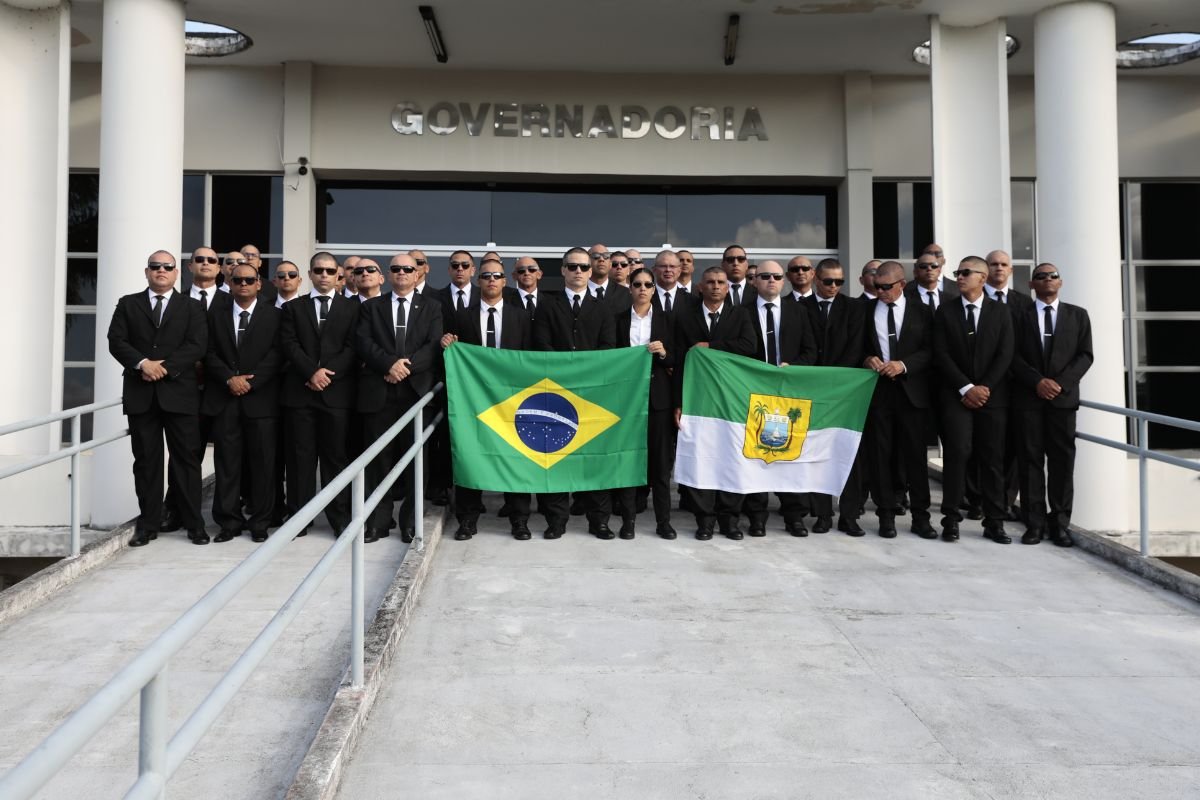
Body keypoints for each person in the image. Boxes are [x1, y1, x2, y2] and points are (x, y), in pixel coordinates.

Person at [107, 251, 208, 546]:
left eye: (167, 267)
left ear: (177, 273)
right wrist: (142, 364)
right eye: (155, 267)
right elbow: (116, 341)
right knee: (147, 462)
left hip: (180, 394)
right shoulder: (128, 304)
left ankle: (194, 524)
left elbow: (197, 345)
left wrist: (163, 367)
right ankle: (148, 524)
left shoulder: (191, 307)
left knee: (186, 462)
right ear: (147, 271)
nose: (161, 271)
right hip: (142, 395)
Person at [440, 264, 535, 540]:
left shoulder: (521, 317)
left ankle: (519, 520)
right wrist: (448, 342)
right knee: (471, 457)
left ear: (506, 281)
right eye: (486, 276)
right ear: (478, 281)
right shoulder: (462, 316)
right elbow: (454, 353)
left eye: (496, 276)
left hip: (512, 402)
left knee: (516, 460)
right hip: (475, 402)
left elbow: (529, 358)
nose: (491, 280)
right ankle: (467, 520)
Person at [355, 253, 443, 543]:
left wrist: (404, 368)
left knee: (416, 462)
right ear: (388, 275)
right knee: (377, 460)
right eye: (397, 269)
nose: (403, 272)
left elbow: (433, 346)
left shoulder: (432, 307)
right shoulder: (370, 307)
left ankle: (409, 521)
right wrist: (388, 364)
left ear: (418, 273)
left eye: (408, 268)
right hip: (379, 392)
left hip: (416, 395)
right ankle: (379, 521)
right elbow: (364, 343)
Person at [534, 247, 617, 540]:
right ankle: (556, 520)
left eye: (583, 267)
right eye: (572, 267)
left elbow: (608, 348)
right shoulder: (547, 305)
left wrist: (584, 372)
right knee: (556, 456)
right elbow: (541, 344)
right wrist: (565, 372)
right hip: (556, 395)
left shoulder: (603, 308)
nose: (578, 271)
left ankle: (599, 521)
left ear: (591, 271)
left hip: (593, 396)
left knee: (594, 458)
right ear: (564, 271)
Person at [933, 256, 1014, 544]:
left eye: (966, 272)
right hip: (957, 397)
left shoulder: (1000, 312)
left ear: (982, 277)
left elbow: (1005, 353)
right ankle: (951, 520)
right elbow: (941, 354)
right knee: (957, 456)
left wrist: (984, 388)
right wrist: (966, 387)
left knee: (992, 460)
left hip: (992, 399)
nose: (959, 277)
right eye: (957, 272)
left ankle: (994, 521)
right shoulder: (945, 311)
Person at [1010, 265, 1093, 546]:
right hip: (1029, 399)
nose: (1048, 279)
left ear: (1061, 282)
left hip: (1062, 401)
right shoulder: (1019, 316)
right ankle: (1034, 524)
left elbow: (1085, 355)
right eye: (1042, 276)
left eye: (1053, 275)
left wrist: (1060, 383)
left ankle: (1060, 523)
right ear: (1032, 284)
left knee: (1061, 463)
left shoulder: (1077, 315)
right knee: (1030, 461)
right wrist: (1037, 382)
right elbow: (1012, 356)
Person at [279, 252, 359, 537]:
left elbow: (352, 347)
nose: (324, 275)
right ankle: (299, 517)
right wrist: (311, 372)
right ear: (310, 274)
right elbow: (288, 344)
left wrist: (326, 374)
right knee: (300, 459)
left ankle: (338, 517)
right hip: (300, 395)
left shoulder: (352, 309)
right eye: (318, 271)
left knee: (335, 458)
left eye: (329, 271)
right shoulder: (293, 309)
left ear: (338, 274)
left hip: (336, 396)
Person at [674, 266, 757, 540]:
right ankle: (704, 520)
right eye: (710, 282)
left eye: (721, 282)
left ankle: (729, 520)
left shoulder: (740, 314)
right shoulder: (685, 317)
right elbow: (678, 362)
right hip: (698, 400)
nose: (716, 286)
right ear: (700, 286)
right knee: (702, 460)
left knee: (731, 459)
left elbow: (749, 346)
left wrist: (712, 346)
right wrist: (679, 402)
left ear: (727, 287)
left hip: (732, 400)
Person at [202, 263, 282, 543]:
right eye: (238, 280)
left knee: (263, 465)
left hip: (261, 401)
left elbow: (278, 354)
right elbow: (208, 352)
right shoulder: (216, 314)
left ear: (259, 284)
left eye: (250, 280)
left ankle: (260, 522)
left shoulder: (275, 315)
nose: (244, 284)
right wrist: (229, 379)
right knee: (227, 465)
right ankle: (229, 522)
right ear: (230, 284)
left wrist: (251, 381)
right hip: (225, 400)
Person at [861, 260, 936, 539]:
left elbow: (931, 350)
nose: (880, 292)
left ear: (902, 284)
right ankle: (886, 516)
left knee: (915, 459)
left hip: (912, 395)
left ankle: (921, 517)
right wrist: (867, 358)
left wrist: (903, 365)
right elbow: (858, 347)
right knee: (881, 458)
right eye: (876, 287)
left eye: (886, 287)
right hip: (879, 395)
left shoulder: (923, 312)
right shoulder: (865, 310)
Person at [742, 261, 818, 537]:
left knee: (790, 453)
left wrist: (793, 368)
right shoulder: (741, 312)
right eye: (765, 276)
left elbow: (811, 352)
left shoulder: (799, 312)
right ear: (755, 281)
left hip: (790, 396)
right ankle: (757, 516)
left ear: (783, 280)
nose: (771, 281)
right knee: (757, 454)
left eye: (776, 276)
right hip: (754, 394)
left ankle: (794, 516)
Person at [803, 260, 868, 535]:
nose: (833, 287)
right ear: (816, 278)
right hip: (811, 392)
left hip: (846, 393)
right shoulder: (798, 307)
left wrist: (835, 382)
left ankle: (850, 515)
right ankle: (822, 514)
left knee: (848, 453)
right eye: (828, 281)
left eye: (838, 282)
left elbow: (857, 347)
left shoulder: (855, 308)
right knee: (816, 452)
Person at [614, 266, 676, 540]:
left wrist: (664, 353)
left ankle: (664, 522)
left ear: (654, 289)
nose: (642, 289)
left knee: (661, 468)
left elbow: (680, 361)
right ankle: (628, 521)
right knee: (629, 464)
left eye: (647, 284)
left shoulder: (668, 320)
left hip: (658, 402)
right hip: (625, 402)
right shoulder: (616, 320)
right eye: (637, 284)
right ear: (630, 287)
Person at [651, 249, 696, 314]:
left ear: (679, 271)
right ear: (654, 270)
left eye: (672, 266)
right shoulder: (644, 297)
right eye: (663, 266)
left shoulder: (693, 301)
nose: (668, 270)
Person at [512, 256, 542, 321]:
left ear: (539, 274)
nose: (527, 273)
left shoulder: (549, 302)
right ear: (514, 276)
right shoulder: (505, 302)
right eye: (521, 270)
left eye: (532, 269)